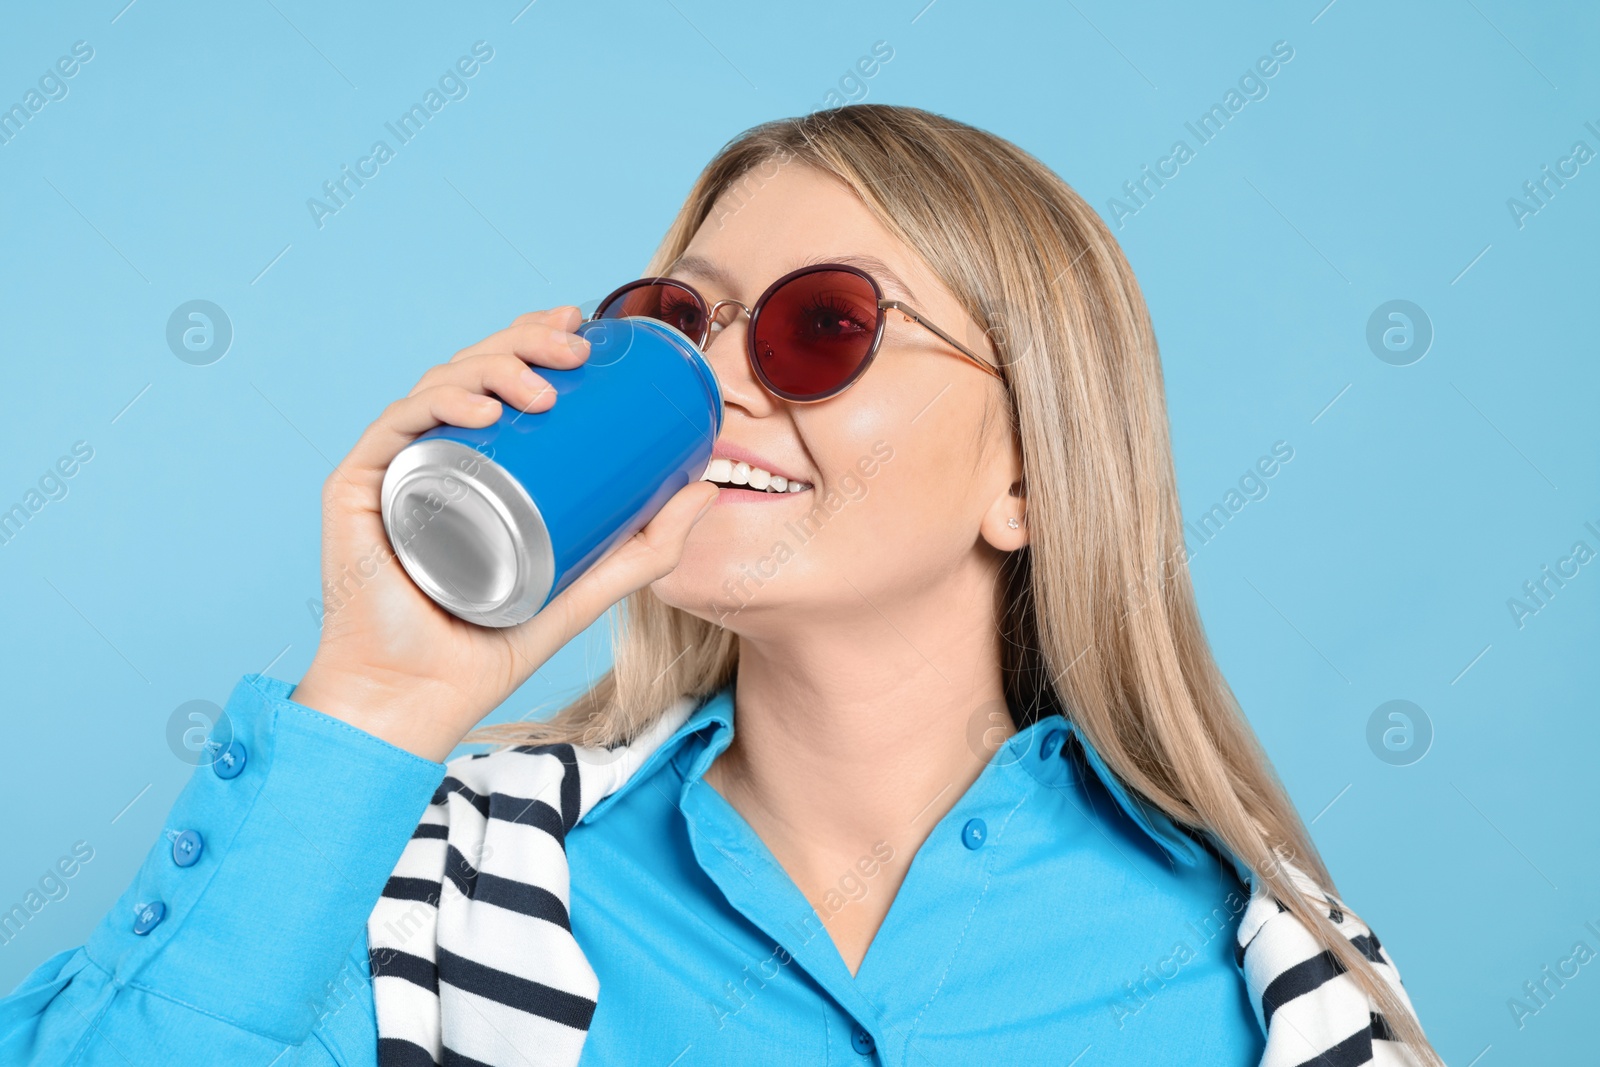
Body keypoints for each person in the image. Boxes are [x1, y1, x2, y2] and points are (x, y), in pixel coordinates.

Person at [0, 104, 1438, 1066]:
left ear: (1034, 477)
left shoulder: (1269, 966)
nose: (718, 383)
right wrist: (381, 695)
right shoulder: (416, 879)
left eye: (824, 327)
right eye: (679, 320)